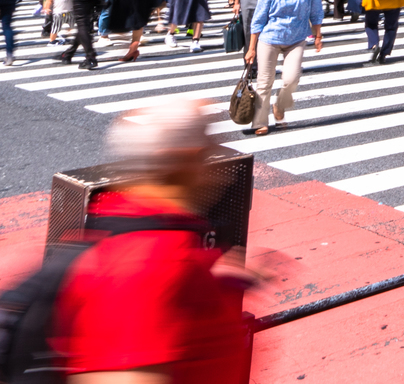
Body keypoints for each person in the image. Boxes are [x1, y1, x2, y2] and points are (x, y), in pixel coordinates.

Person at [47, 99, 254, 383]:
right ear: (183, 160)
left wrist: (213, 282)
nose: (217, 161)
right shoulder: (150, 261)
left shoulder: (150, 232)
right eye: (208, 147)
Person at [244, 0, 324, 136]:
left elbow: (316, 13)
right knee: (264, 82)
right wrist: (251, 48)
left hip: (296, 39)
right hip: (269, 39)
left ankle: (279, 106)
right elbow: (258, 21)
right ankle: (259, 122)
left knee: (292, 78)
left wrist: (318, 35)